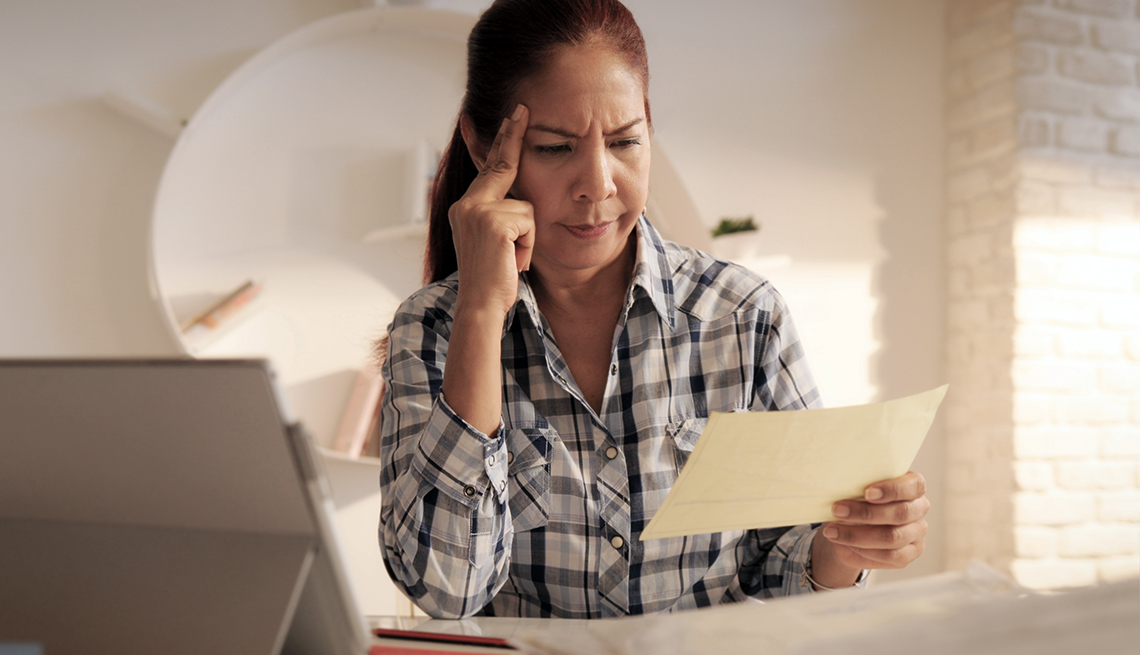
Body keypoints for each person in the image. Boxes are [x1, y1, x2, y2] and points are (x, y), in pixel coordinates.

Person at [378, 0, 929, 619]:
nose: (598, 183)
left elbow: (783, 569)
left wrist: (848, 544)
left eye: (625, 142)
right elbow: (445, 590)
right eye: (556, 148)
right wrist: (480, 310)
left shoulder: (742, 314)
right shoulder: (431, 329)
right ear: (485, 149)